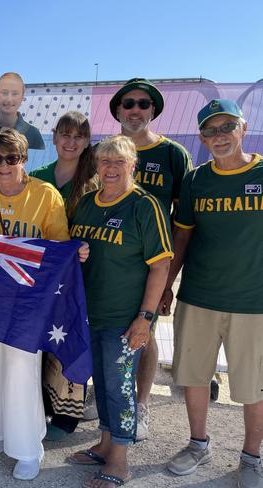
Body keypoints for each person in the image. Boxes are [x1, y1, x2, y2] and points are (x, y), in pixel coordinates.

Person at [0, 128, 88, 481]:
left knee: (22, 368)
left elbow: (58, 245)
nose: (4, 166)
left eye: (12, 158)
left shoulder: (45, 194)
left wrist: (75, 251)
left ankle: (27, 447)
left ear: (24, 160)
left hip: (29, 298)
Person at [160, 100, 263, 488]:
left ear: (243, 127)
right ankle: (198, 444)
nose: (220, 136)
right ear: (202, 137)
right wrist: (167, 285)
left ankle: (251, 457)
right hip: (199, 296)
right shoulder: (196, 179)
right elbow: (182, 234)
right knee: (194, 377)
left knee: (252, 384)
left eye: (227, 127)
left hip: (253, 301)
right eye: (211, 130)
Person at [67, 135, 172, 488]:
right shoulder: (85, 204)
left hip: (123, 319)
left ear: (133, 166)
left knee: (119, 388)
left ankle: (120, 461)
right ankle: (105, 443)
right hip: (90, 313)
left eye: (118, 162)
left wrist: (145, 318)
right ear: (96, 166)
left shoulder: (145, 206)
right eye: (104, 162)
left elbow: (161, 266)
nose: (110, 169)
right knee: (103, 382)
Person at [109, 78, 193, 441]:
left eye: (144, 104)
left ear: (153, 111)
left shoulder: (172, 153)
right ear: (117, 110)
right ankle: (113, 397)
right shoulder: (106, 150)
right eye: (128, 103)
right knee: (111, 330)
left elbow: (185, 221)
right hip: (111, 259)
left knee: (145, 331)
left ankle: (141, 404)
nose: (135, 110)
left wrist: (170, 276)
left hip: (153, 263)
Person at [30, 111, 99, 440]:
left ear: (87, 142)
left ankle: (67, 412)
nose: (71, 142)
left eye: (79, 136)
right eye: (66, 135)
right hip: (41, 277)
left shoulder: (94, 181)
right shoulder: (38, 176)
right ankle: (39, 405)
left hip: (78, 277)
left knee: (67, 339)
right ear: (54, 136)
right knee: (41, 342)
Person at [0, 72, 45, 150]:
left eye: (15, 94)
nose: (9, 99)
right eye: (4, 93)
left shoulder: (33, 134)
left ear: (22, 96)